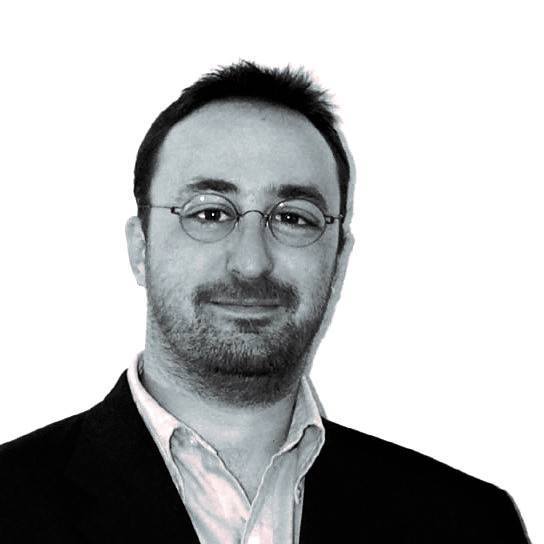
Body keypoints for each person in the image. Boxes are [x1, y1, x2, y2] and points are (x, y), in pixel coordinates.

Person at [0, 61, 530, 543]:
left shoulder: (470, 524)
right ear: (141, 248)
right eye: (210, 213)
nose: (251, 262)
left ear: (338, 259)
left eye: (293, 217)